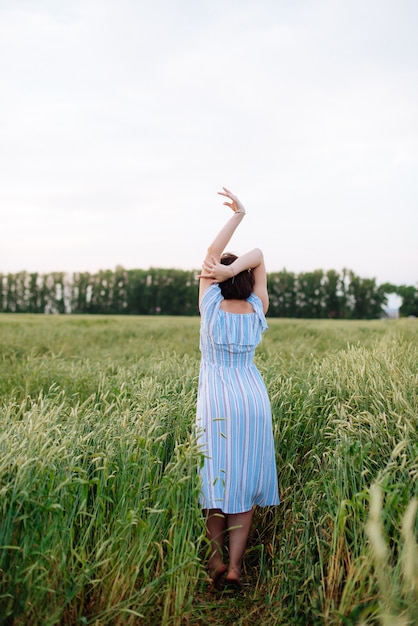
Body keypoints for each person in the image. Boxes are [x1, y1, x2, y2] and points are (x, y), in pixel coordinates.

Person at [196, 187, 279, 592]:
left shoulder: (209, 304)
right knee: (242, 484)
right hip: (252, 399)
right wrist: (235, 270)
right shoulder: (256, 309)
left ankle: (213, 560)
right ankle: (234, 568)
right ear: (246, 279)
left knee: (216, 482)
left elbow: (213, 249)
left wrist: (237, 215)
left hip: (217, 400)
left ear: (214, 277)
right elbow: (260, 254)